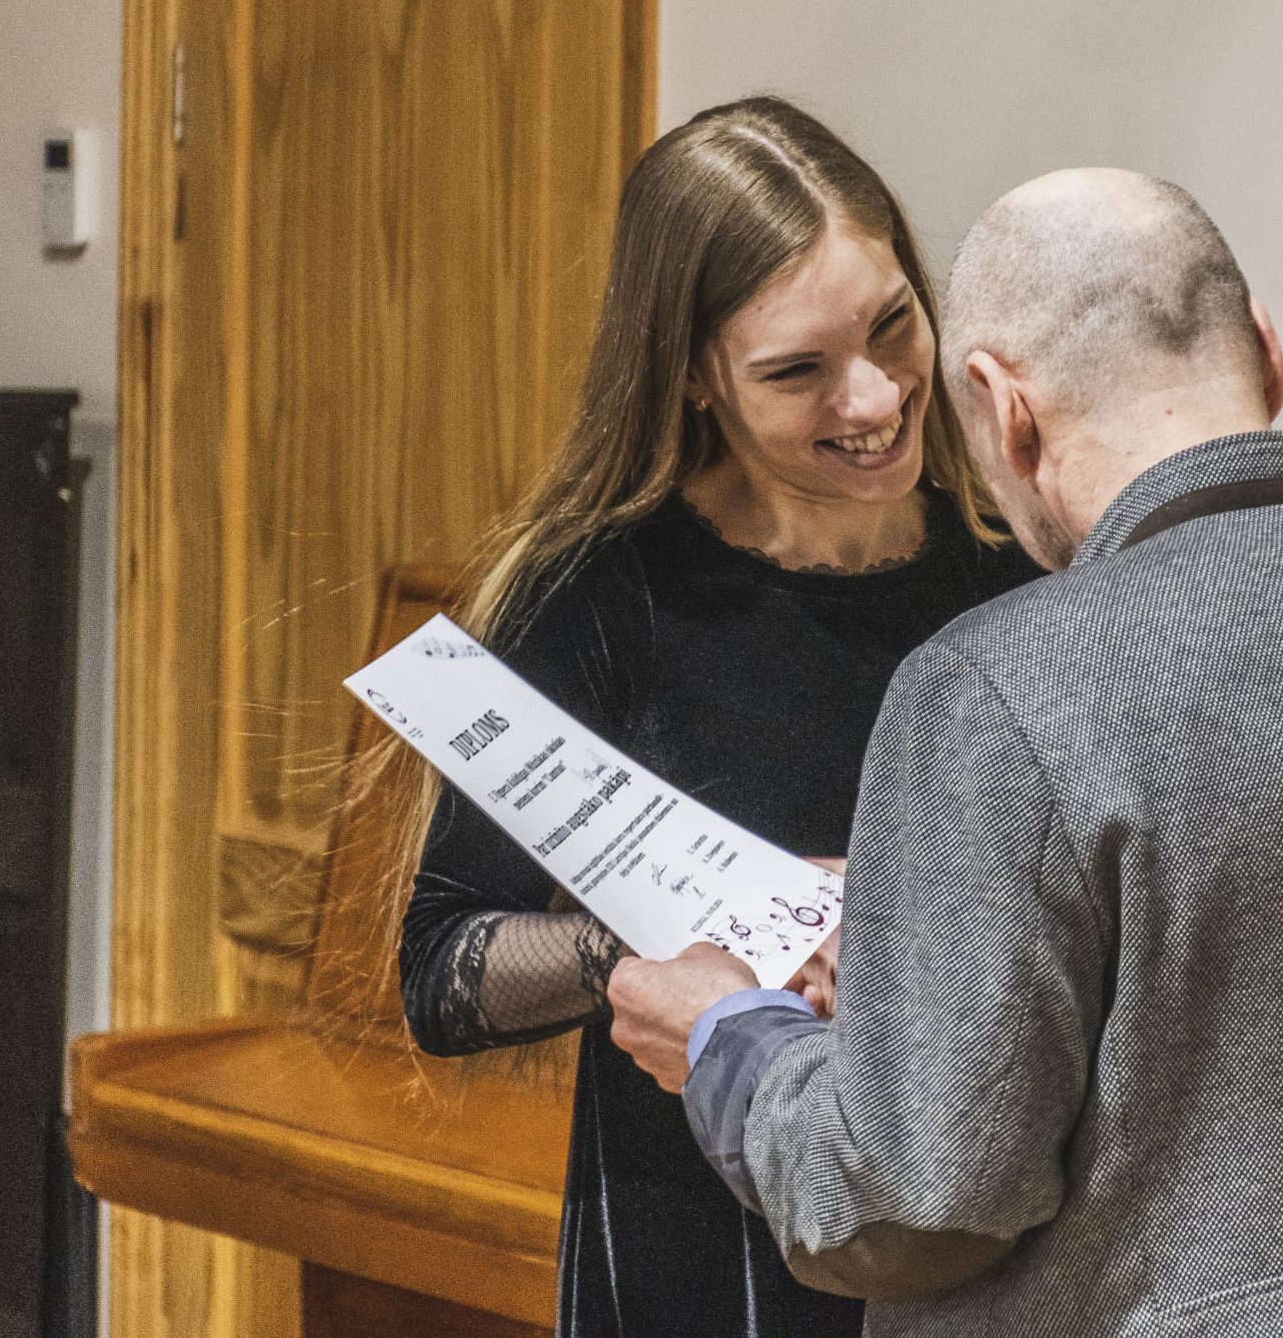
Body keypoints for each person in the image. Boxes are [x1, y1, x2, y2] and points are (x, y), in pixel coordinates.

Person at [607, 169, 1283, 1336]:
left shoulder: (996, 687)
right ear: (1267, 354)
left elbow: (908, 1206)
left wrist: (731, 1040)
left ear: (1003, 409)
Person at [400, 98, 1043, 1338]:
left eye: (893, 324)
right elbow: (444, 972)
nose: (873, 396)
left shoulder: (1018, 565)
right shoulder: (602, 591)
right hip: (699, 1249)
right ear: (694, 376)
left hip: (972, 1241)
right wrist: (693, 940)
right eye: (797, 371)